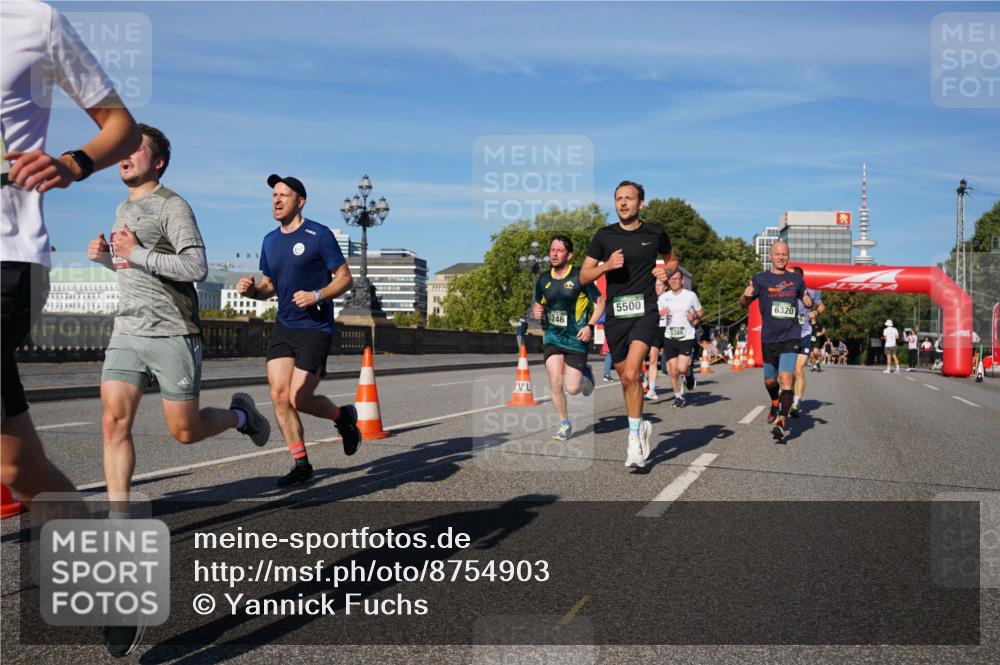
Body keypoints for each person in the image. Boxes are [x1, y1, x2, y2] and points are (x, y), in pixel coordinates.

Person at [2, 0, 142, 530]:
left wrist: (71, 162)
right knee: (15, 464)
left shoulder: (33, 21)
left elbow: (120, 126)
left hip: (6, 259)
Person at [90, 123, 272, 511]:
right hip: (127, 330)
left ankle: (242, 416)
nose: (124, 154)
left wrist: (135, 252)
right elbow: (135, 269)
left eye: (134, 148)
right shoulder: (123, 208)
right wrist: (107, 259)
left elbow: (195, 267)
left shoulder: (173, 205)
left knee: (185, 431)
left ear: (158, 162)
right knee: (113, 422)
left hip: (172, 331)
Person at [237, 175, 360, 487]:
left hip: (315, 328)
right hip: (284, 325)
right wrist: (253, 291)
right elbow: (269, 286)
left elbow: (345, 278)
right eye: (274, 196)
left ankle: (342, 417)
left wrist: (316, 295)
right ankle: (301, 464)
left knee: (299, 397)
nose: (277, 200)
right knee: (279, 396)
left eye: (284, 195)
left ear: (300, 201)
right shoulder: (269, 240)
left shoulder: (319, 235)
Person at [581, 180, 678, 469]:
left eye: (629, 198)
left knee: (635, 372)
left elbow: (672, 259)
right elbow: (584, 276)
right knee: (626, 379)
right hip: (615, 316)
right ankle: (642, 425)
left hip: (646, 310)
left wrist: (664, 272)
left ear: (641, 203)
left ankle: (633, 440)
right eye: (619, 199)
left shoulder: (655, 232)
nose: (623, 203)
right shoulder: (604, 236)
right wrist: (606, 266)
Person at [532, 235, 604, 440]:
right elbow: (539, 303)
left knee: (571, 388)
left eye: (559, 250)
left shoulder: (581, 276)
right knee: (555, 380)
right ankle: (564, 423)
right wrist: (537, 311)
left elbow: (600, 302)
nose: (554, 254)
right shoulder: (544, 279)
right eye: (552, 250)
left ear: (569, 255)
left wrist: (590, 325)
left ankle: (586, 375)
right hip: (553, 337)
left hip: (576, 338)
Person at [740, 241, 812, 441]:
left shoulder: (796, 279)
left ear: (788, 257)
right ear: (770, 256)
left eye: (785, 254)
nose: (781, 257)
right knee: (770, 380)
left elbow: (806, 299)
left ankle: (781, 419)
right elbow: (743, 303)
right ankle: (774, 401)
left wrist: (808, 301)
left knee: (786, 378)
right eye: (778, 254)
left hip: (791, 335)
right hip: (769, 337)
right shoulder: (760, 279)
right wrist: (745, 296)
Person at [659, 270, 703, 408]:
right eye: (671, 279)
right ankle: (678, 397)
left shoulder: (690, 296)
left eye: (676, 279)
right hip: (669, 336)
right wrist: (660, 313)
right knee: (672, 371)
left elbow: (701, 312)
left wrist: (694, 315)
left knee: (682, 367)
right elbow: (657, 315)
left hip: (686, 336)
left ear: (682, 281)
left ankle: (689, 374)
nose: (673, 281)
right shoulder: (663, 297)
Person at [788, 266, 824, 417]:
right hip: (787, 335)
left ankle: (796, 403)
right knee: (786, 372)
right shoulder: (782, 290)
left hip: (805, 334)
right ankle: (785, 393)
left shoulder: (811, 291)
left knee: (798, 369)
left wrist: (815, 311)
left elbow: (822, 305)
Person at [645, 278, 667, 401]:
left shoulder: (669, 298)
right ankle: (652, 390)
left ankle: (683, 378)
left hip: (668, 330)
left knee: (673, 364)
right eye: (656, 285)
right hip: (655, 330)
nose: (657, 287)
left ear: (665, 287)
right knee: (653, 359)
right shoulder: (650, 298)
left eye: (660, 285)